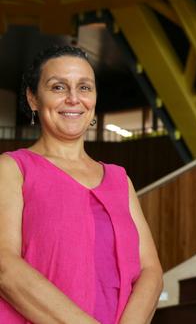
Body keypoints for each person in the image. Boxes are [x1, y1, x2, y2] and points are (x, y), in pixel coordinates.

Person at [0, 45, 163, 323]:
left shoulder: (119, 179)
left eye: (85, 88)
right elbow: (5, 265)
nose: (74, 98)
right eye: (58, 87)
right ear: (33, 98)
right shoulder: (12, 169)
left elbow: (151, 271)